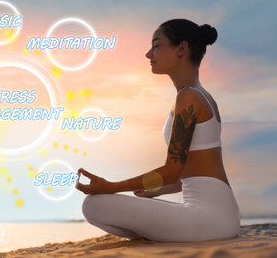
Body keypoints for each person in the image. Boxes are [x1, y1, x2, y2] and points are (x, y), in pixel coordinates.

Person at [75, 19, 240, 243]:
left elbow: (172, 171)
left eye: (156, 45)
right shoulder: (204, 97)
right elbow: (192, 175)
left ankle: (155, 234)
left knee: (93, 204)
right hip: (221, 214)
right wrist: (156, 191)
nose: (148, 54)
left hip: (210, 219)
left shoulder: (188, 97)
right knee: (127, 203)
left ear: (181, 48)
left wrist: (111, 186)